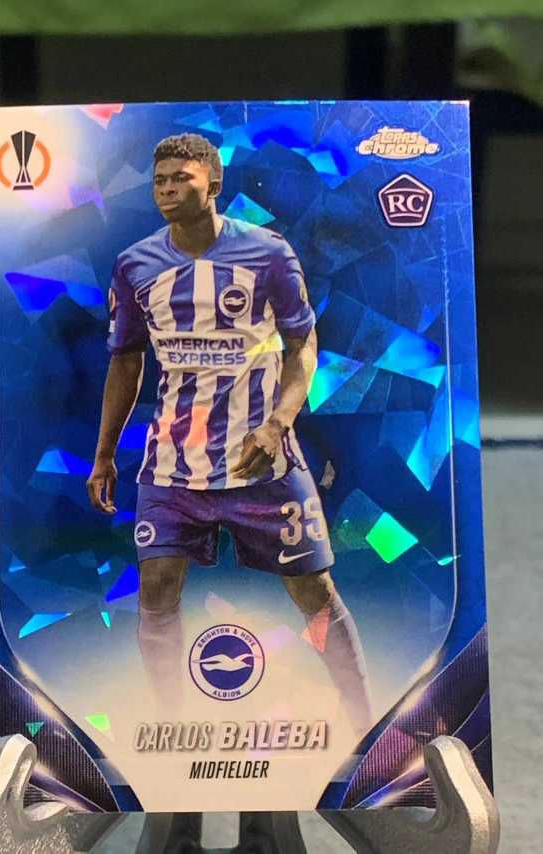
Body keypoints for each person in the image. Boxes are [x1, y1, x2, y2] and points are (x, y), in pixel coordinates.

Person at [87, 132, 372, 738]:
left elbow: (303, 345)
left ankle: (363, 723)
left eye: (181, 179)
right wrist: (105, 453)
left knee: (314, 592)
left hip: (262, 464)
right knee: (156, 589)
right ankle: (171, 730)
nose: (167, 190)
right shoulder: (136, 265)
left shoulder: (267, 253)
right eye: (160, 181)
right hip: (172, 467)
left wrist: (277, 424)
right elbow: (125, 361)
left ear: (213, 184)